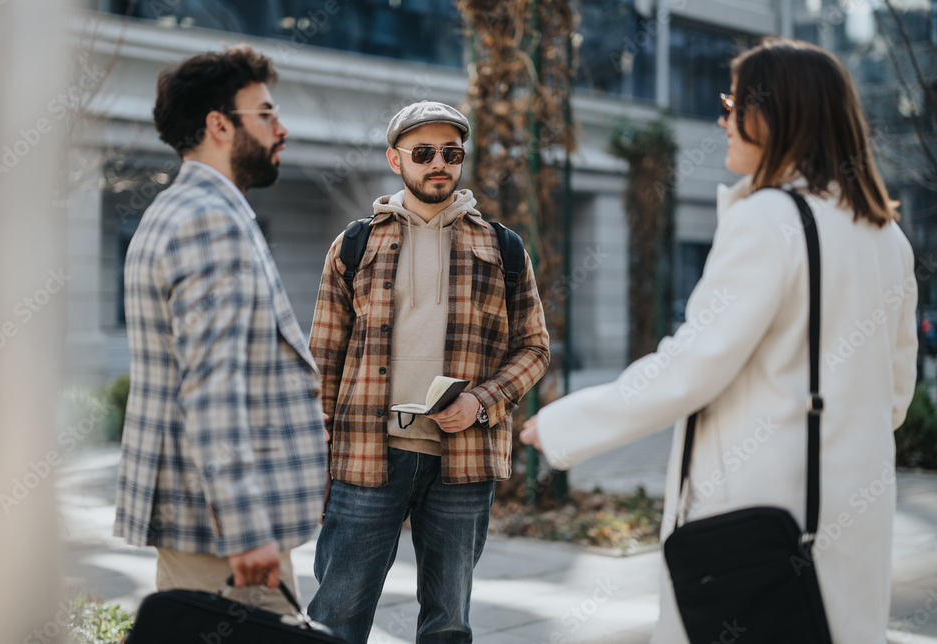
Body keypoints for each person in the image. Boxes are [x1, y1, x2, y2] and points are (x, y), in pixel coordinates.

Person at [521, 39, 917, 643]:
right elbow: (894, 395)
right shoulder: (887, 236)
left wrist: (564, 425)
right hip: (846, 515)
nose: (723, 118)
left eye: (734, 102)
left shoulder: (768, 220)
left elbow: (690, 368)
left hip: (761, 515)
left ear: (777, 112)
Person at [307, 100, 550, 643]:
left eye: (451, 152)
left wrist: (482, 401)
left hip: (461, 463)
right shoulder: (355, 244)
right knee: (335, 616)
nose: (438, 163)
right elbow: (323, 356)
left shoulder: (503, 247)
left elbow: (534, 348)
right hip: (367, 456)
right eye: (423, 152)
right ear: (397, 160)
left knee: (448, 623)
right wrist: (313, 451)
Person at [113, 45, 328, 613]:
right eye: (266, 114)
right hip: (222, 531)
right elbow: (211, 387)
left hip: (197, 517)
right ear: (219, 125)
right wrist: (246, 527)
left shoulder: (174, 208)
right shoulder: (209, 221)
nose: (282, 129)